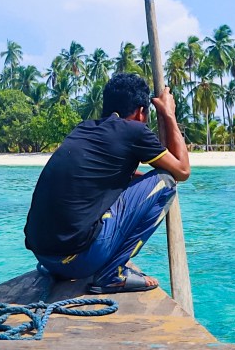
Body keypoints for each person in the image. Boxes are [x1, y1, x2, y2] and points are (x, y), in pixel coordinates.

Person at [24, 73, 191, 293]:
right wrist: (169, 114)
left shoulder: (84, 129)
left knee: (149, 183)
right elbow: (182, 171)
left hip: (45, 258)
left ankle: (72, 265)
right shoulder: (134, 131)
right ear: (140, 111)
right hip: (78, 261)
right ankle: (113, 275)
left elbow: (108, 176)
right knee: (166, 182)